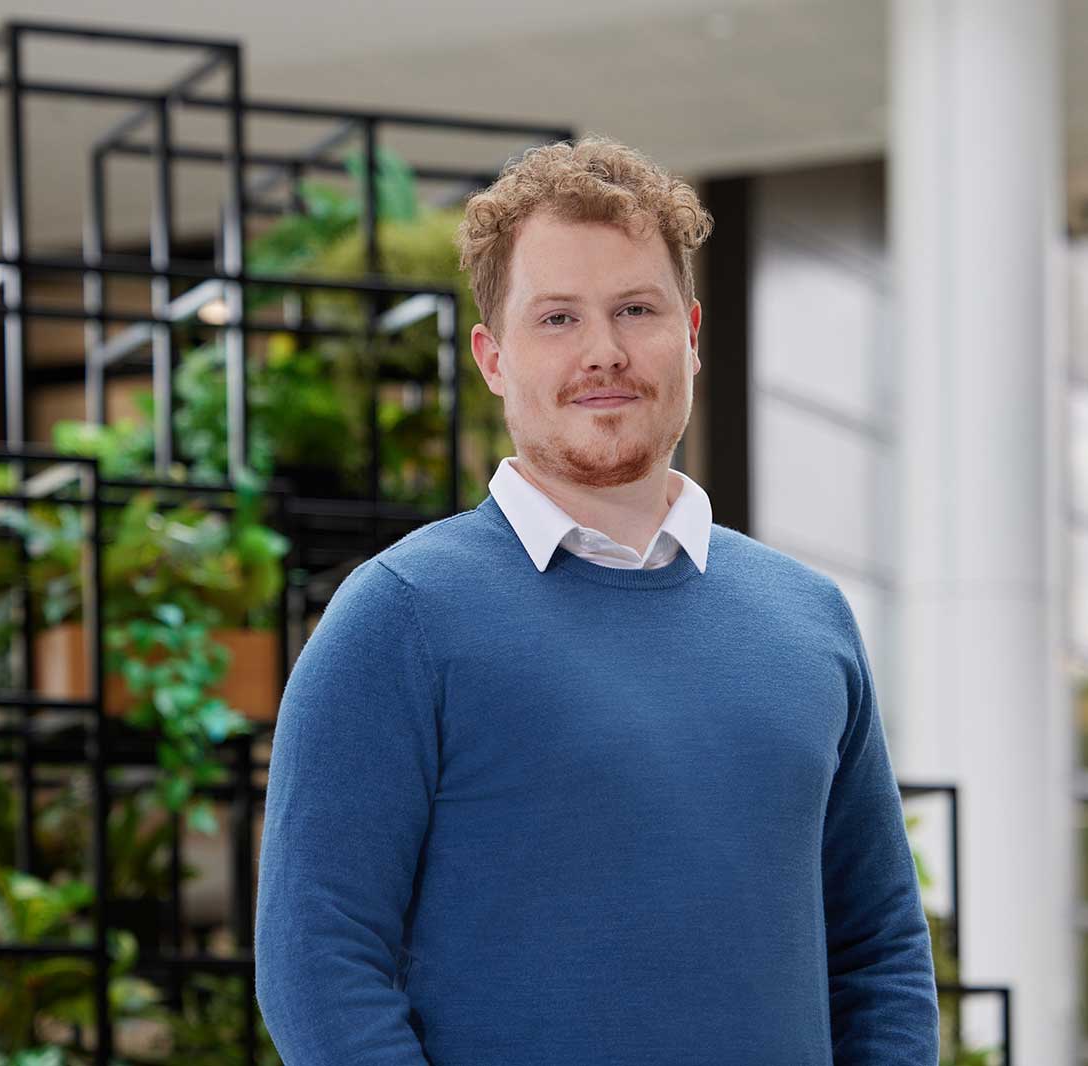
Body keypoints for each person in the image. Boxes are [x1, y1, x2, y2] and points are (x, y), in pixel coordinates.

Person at [253, 133, 939, 1064]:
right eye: (558, 319)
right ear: (494, 358)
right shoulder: (399, 618)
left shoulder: (809, 621)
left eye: (635, 310)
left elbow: (880, 954)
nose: (604, 352)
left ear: (690, 335)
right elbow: (316, 964)